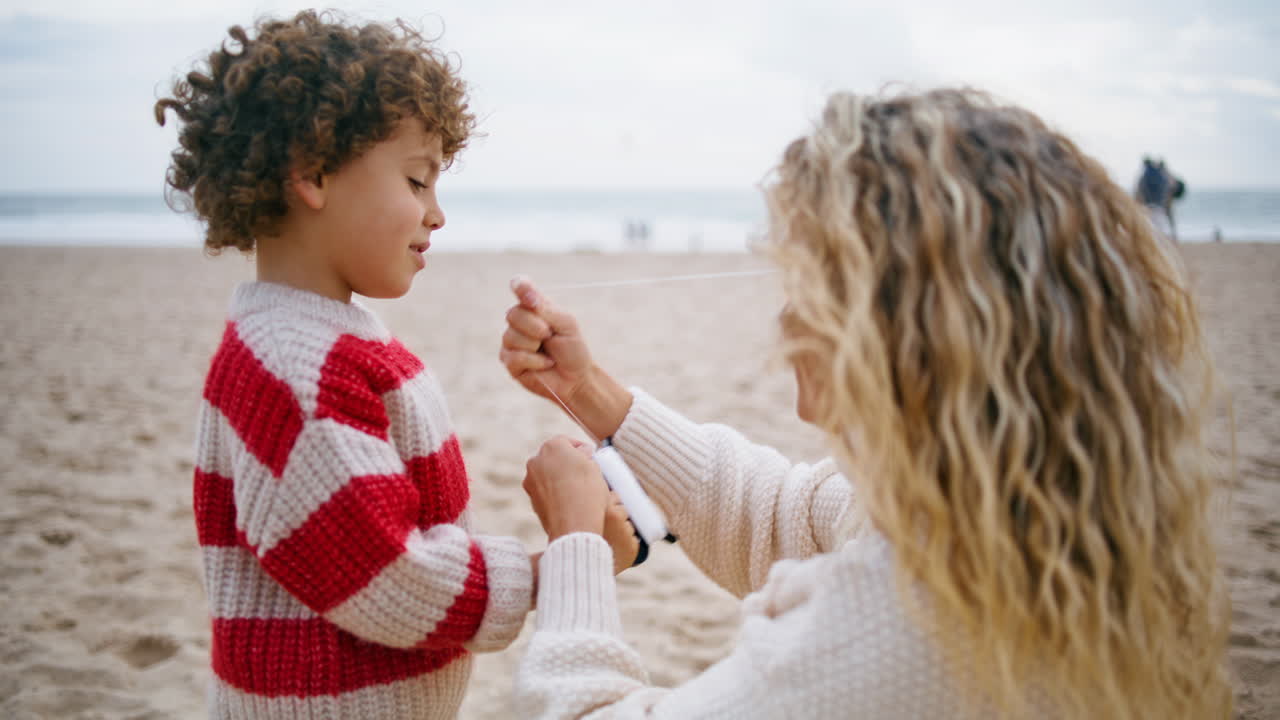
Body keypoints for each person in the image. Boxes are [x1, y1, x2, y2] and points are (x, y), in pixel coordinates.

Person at [501, 89, 1232, 718]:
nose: (786, 321)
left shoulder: (917, 623)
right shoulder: (1027, 519)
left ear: (909, 334)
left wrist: (575, 548)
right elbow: (778, 514)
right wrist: (591, 394)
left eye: (811, 287)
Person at [156, 11, 635, 718]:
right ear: (312, 174)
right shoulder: (299, 367)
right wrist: (560, 565)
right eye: (417, 181)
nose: (437, 215)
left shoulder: (321, 340)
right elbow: (387, 577)